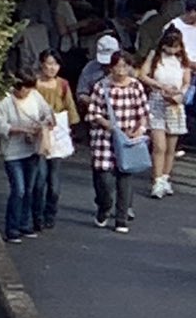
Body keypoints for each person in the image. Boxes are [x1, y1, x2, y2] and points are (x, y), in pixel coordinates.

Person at [85, 48, 150, 233]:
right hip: (105, 138)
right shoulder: (101, 86)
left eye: (125, 65)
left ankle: (121, 219)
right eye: (117, 66)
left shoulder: (136, 86)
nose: (121, 70)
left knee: (125, 177)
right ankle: (104, 207)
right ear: (111, 68)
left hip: (128, 139)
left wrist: (139, 130)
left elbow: (143, 112)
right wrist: (110, 126)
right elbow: (93, 113)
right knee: (104, 179)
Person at [0, 76, 50, 243]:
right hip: (13, 152)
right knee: (19, 189)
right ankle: (12, 228)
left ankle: (24, 224)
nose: (28, 92)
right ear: (18, 87)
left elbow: (46, 113)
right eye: (25, 89)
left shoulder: (35, 96)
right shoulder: (5, 102)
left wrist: (42, 125)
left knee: (29, 189)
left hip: (31, 149)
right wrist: (20, 130)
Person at [138, 28, 190, 199]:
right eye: (170, 46)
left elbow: (186, 82)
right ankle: (157, 180)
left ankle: (166, 177)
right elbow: (143, 75)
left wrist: (179, 94)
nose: (173, 50)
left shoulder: (183, 60)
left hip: (175, 105)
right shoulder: (155, 56)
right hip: (156, 101)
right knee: (159, 145)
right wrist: (160, 87)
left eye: (176, 47)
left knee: (170, 147)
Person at [34, 54, 77, 230]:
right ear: (41, 65)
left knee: (53, 180)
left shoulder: (63, 84)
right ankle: (37, 215)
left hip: (57, 133)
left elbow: (70, 107)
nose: (52, 68)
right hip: (38, 132)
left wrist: (69, 129)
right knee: (40, 177)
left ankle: (50, 213)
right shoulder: (34, 84)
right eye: (48, 64)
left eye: (55, 64)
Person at [77, 32, 119, 109]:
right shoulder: (89, 68)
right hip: (96, 109)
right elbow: (81, 94)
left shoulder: (127, 67)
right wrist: (95, 104)